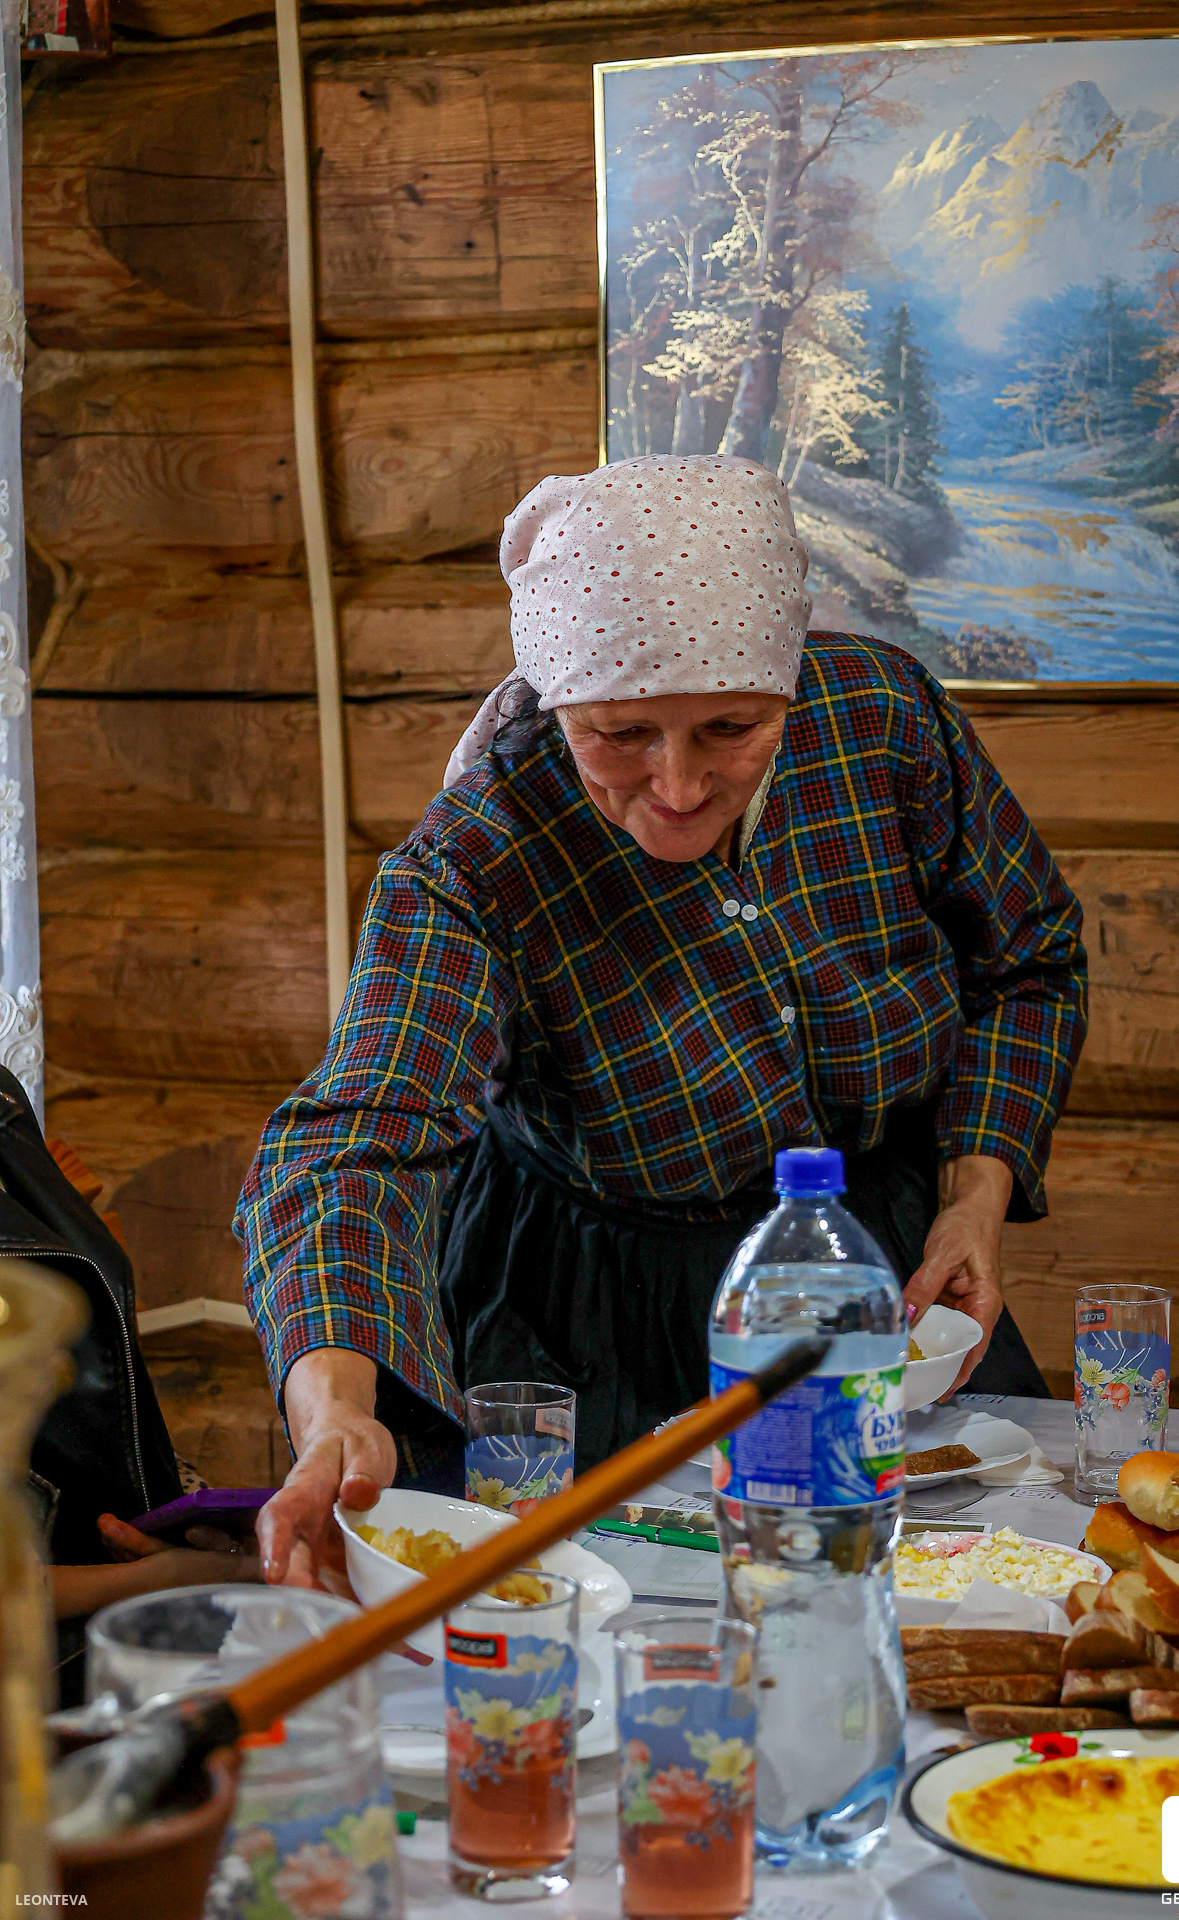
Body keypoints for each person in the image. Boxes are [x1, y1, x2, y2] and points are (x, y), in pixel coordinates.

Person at [237, 455, 1087, 1591]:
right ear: (558, 698)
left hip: (870, 1268)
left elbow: (1027, 957)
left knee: (970, 1586)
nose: (677, 787)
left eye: (730, 728)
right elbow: (352, 1141)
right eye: (621, 733)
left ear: (785, 687)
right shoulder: (479, 856)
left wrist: (971, 1199)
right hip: (597, 1305)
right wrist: (338, 1407)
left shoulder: (878, 719)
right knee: (636, 1622)